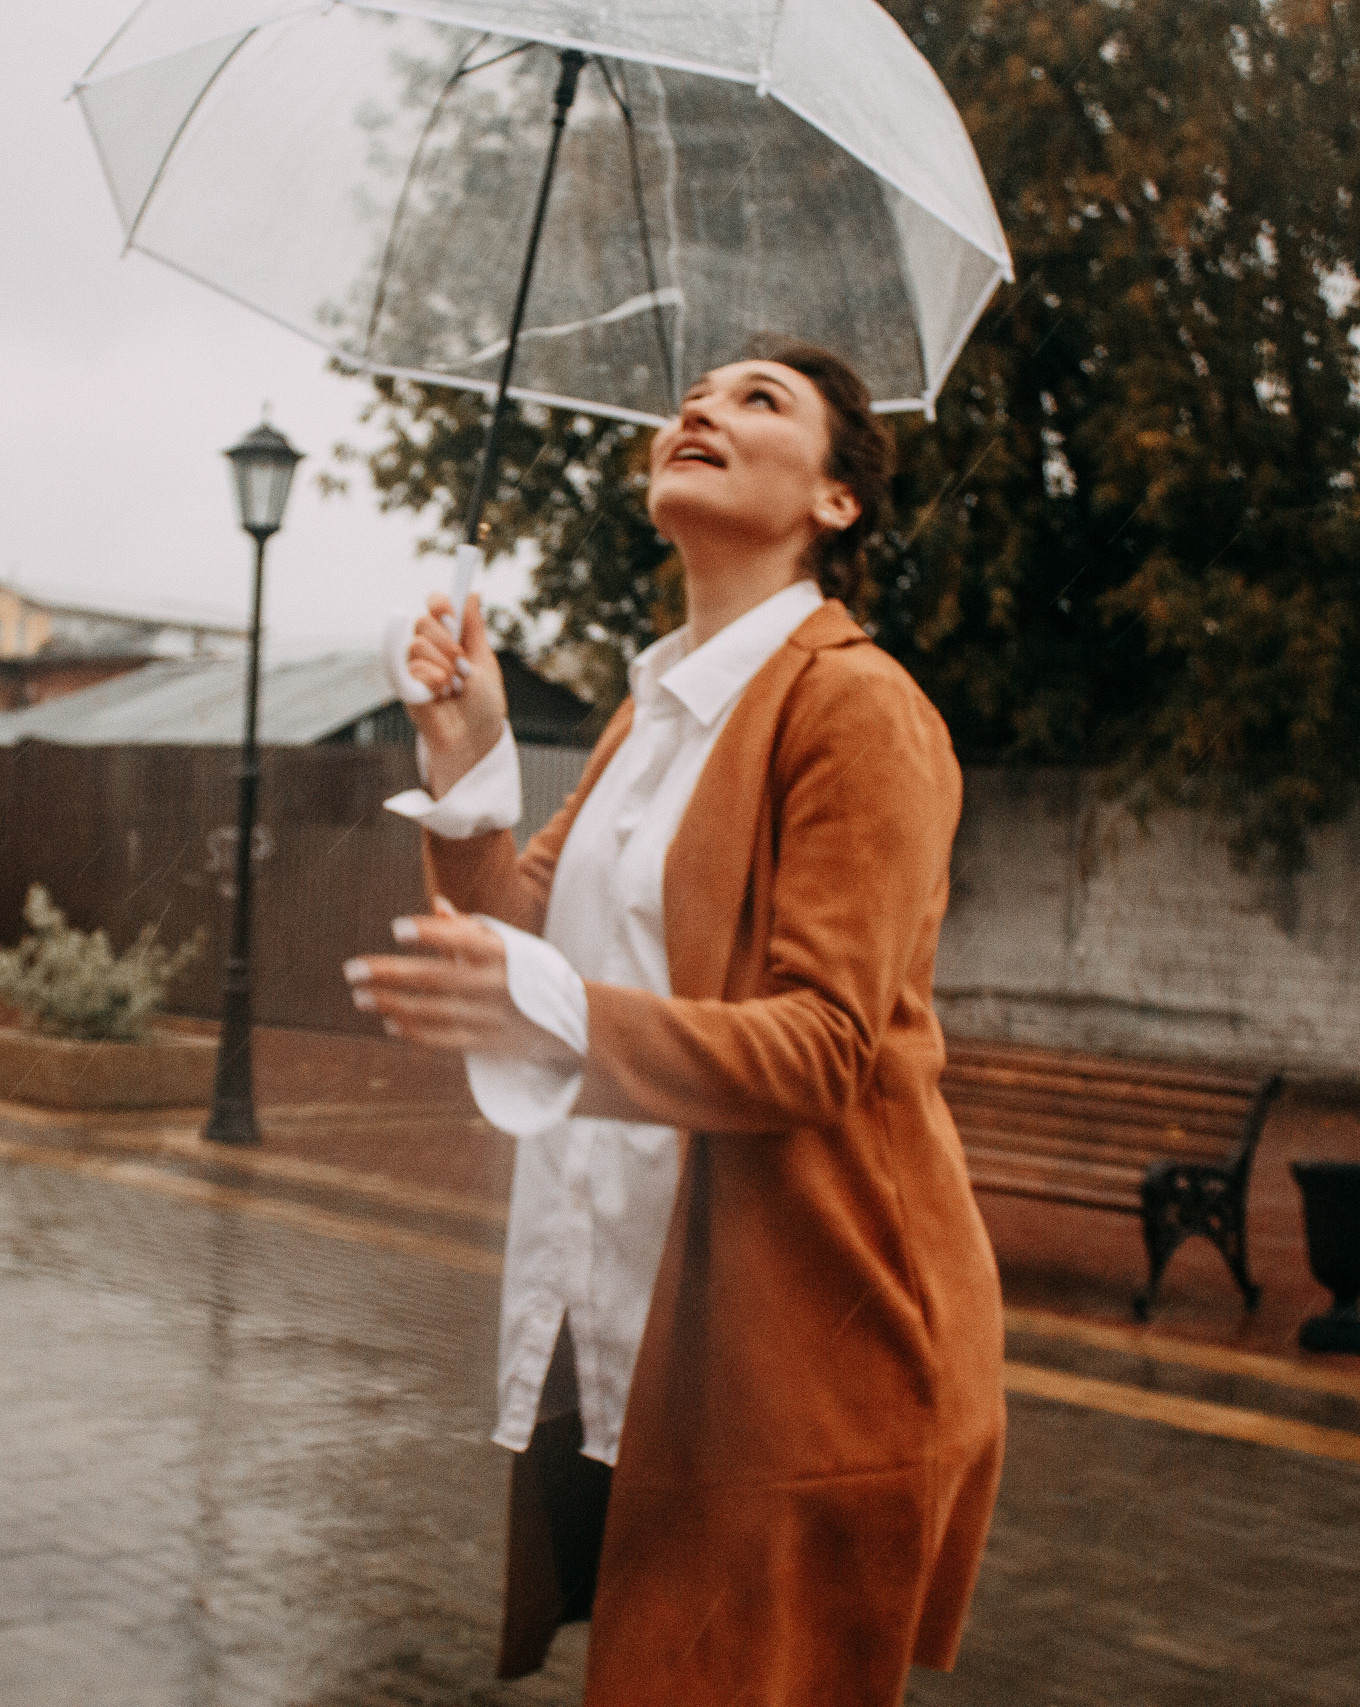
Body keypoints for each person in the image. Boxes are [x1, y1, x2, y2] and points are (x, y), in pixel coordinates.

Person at [348, 340, 1004, 1705]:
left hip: (800, 1336)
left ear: (836, 501)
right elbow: (520, 940)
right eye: (695, 392)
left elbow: (826, 1042)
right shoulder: (648, 718)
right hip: (639, 1318)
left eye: (760, 399)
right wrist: (469, 756)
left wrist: (555, 1011)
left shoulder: (859, 707)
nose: (701, 406)